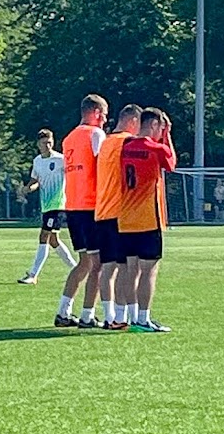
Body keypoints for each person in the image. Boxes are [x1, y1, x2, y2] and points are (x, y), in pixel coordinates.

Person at [118, 107, 177, 332]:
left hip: (125, 218)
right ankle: (143, 318)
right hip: (148, 219)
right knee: (149, 270)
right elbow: (171, 164)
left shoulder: (125, 147)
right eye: (160, 128)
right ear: (154, 125)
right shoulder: (156, 148)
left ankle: (131, 316)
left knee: (130, 269)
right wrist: (167, 136)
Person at [54, 94, 108, 328]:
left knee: (84, 262)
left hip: (73, 205)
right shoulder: (95, 134)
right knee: (98, 263)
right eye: (104, 114)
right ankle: (87, 315)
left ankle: (63, 311)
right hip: (91, 205)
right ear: (96, 112)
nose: (105, 119)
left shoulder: (68, 139)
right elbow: (104, 165)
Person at [94, 104, 142, 330]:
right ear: (133, 121)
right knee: (124, 266)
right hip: (118, 212)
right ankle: (121, 317)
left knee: (108, 266)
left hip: (102, 210)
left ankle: (109, 315)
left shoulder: (106, 142)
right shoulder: (127, 142)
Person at [17, 129, 77, 285]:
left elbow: (73, 174)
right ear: (38, 144)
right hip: (46, 205)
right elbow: (35, 181)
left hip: (58, 204)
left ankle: (33, 274)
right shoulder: (37, 161)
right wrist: (28, 189)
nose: (48, 145)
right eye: (44, 143)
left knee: (44, 236)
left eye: (50, 142)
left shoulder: (61, 159)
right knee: (53, 240)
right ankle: (75, 268)